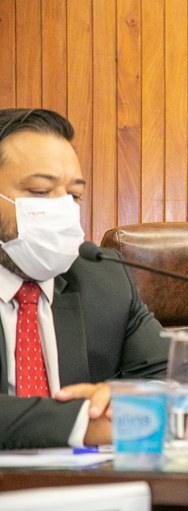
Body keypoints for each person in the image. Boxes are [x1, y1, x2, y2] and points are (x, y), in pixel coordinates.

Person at [0, 108, 167, 449]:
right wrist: (84, 423)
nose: (62, 209)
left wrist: (123, 398)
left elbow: (167, 379)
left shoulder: (103, 278)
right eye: (40, 191)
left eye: (74, 195)